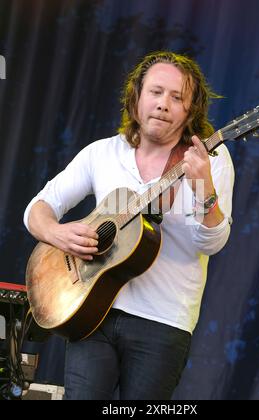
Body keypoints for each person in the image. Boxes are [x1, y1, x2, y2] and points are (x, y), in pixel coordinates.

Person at [23, 51, 234, 400]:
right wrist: (56, 232)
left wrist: (205, 191)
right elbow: (38, 208)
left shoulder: (208, 159)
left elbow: (212, 242)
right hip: (91, 312)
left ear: (190, 110)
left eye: (176, 97)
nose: (163, 104)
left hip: (164, 321)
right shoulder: (102, 153)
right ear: (136, 98)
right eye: (156, 92)